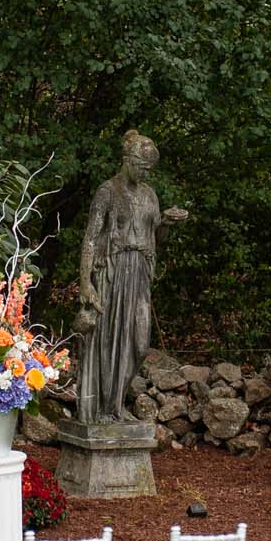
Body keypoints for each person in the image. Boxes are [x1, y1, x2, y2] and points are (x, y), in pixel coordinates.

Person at [74, 131, 186, 423]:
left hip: (138, 272)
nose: (145, 172)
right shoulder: (108, 191)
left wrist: (166, 224)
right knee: (109, 340)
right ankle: (107, 410)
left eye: (149, 169)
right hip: (112, 271)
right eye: (141, 166)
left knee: (138, 341)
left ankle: (116, 403)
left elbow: (156, 237)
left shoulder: (150, 194)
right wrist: (86, 283)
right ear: (127, 160)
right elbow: (90, 238)